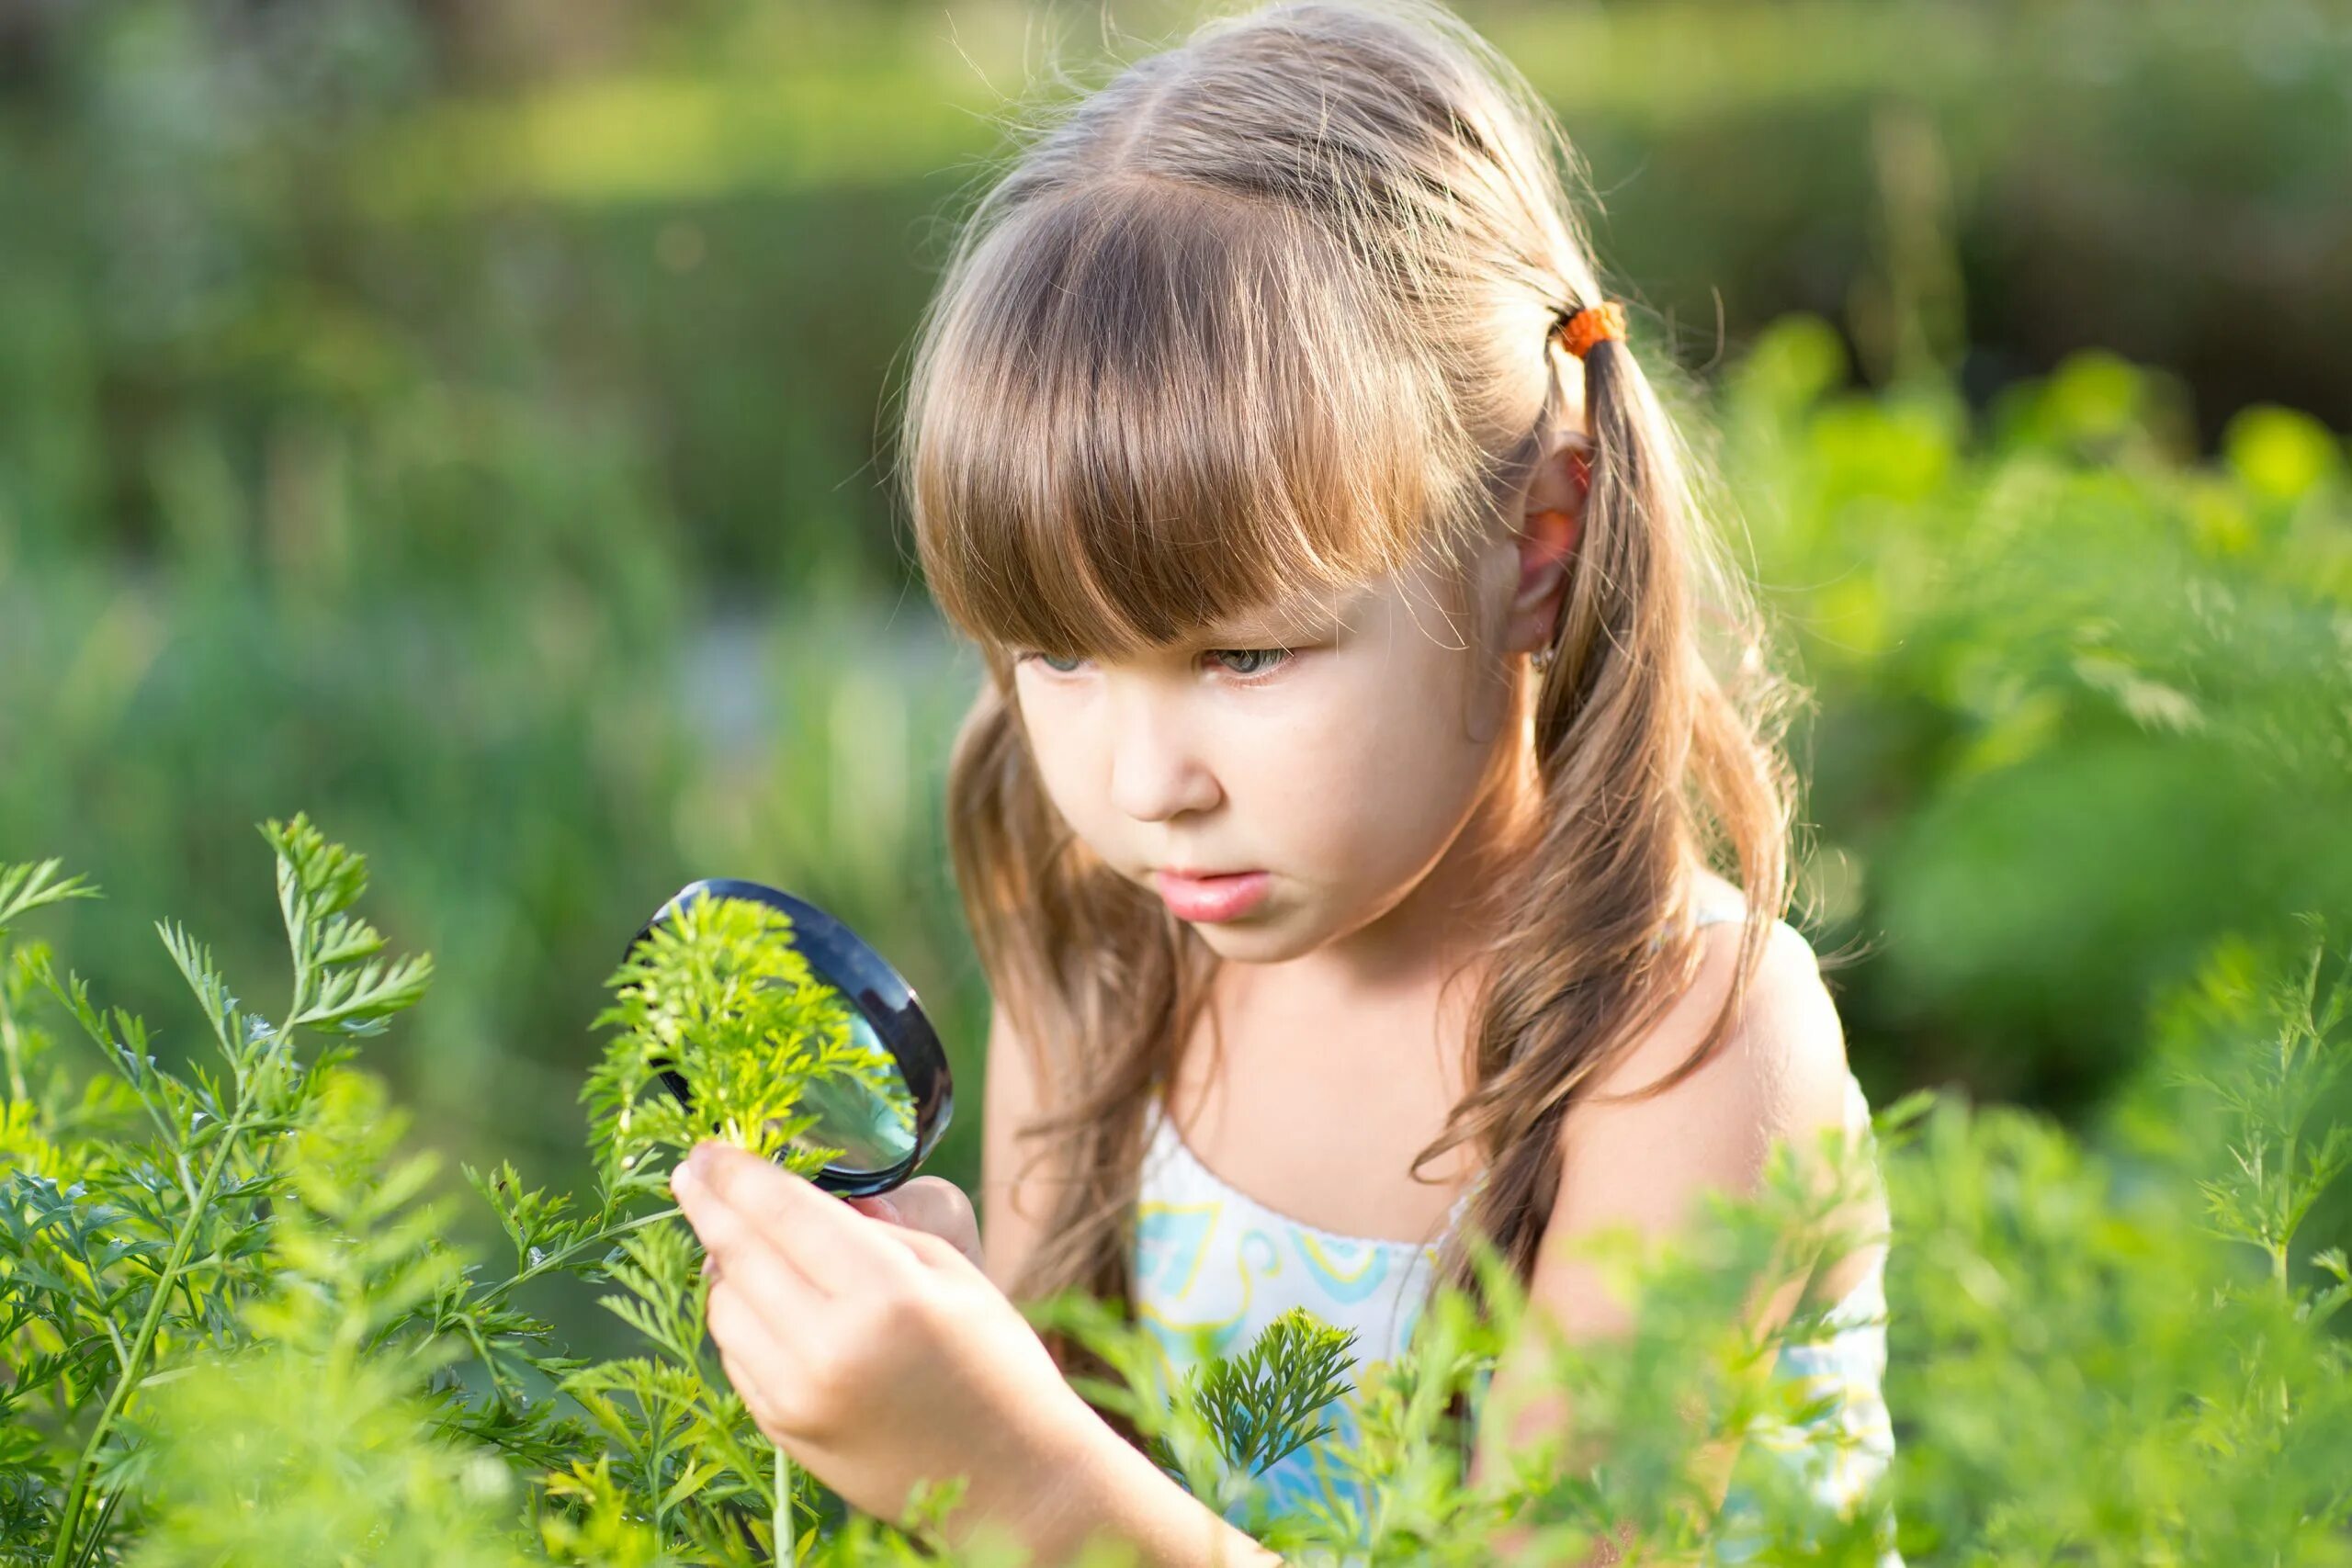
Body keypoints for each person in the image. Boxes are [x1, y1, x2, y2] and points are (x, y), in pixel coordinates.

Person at [667, 2, 1900, 1563]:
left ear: (1537, 544)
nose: (1143, 782)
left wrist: (1010, 1478)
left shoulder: (1687, 1046)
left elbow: (1069, 1510)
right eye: (1059, 655)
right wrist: (971, 1363)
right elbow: (1111, 1471)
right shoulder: (1108, 951)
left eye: (1243, 659)